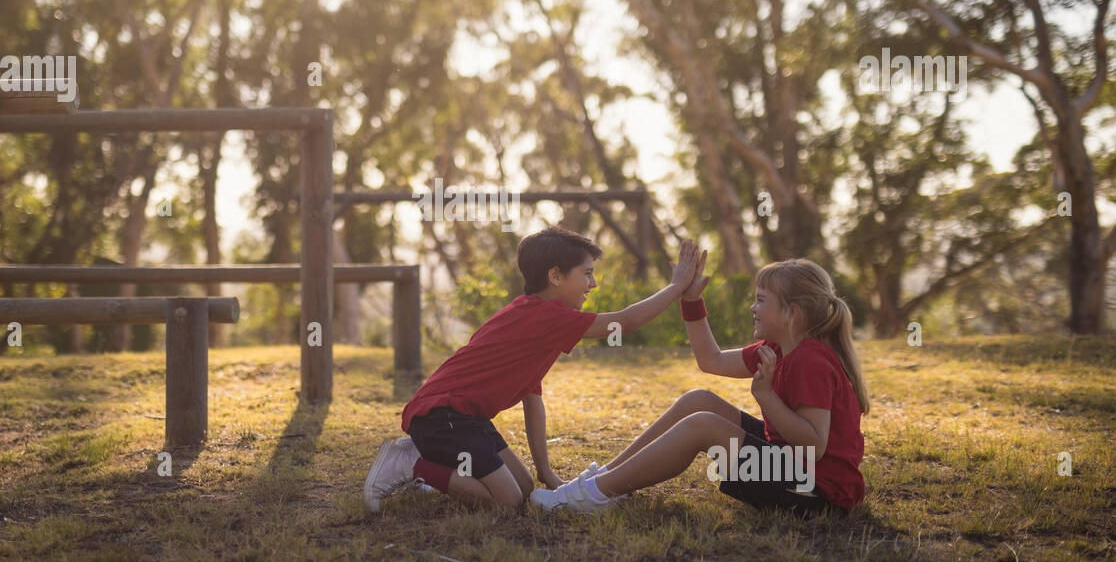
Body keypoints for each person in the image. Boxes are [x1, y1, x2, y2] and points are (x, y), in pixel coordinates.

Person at [363, 226, 706, 511]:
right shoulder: (546, 316)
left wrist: (546, 474)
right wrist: (676, 287)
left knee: (525, 489)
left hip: (466, 420)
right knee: (508, 502)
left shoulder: (534, 317)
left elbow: (532, 400)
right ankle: (413, 464)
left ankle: (432, 469)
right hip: (442, 417)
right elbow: (627, 321)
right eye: (587, 274)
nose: (594, 284)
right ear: (555, 276)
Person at [532, 250, 868, 517]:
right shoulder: (776, 350)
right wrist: (691, 299)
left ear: (793, 313)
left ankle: (589, 496)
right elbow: (711, 360)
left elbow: (814, 444)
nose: (753, 308)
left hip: (816, 494)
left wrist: (766, 397)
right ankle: (602, 479)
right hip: (791, 469)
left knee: (703, 426)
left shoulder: (812, 360)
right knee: (698, 401)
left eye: (761, 300)